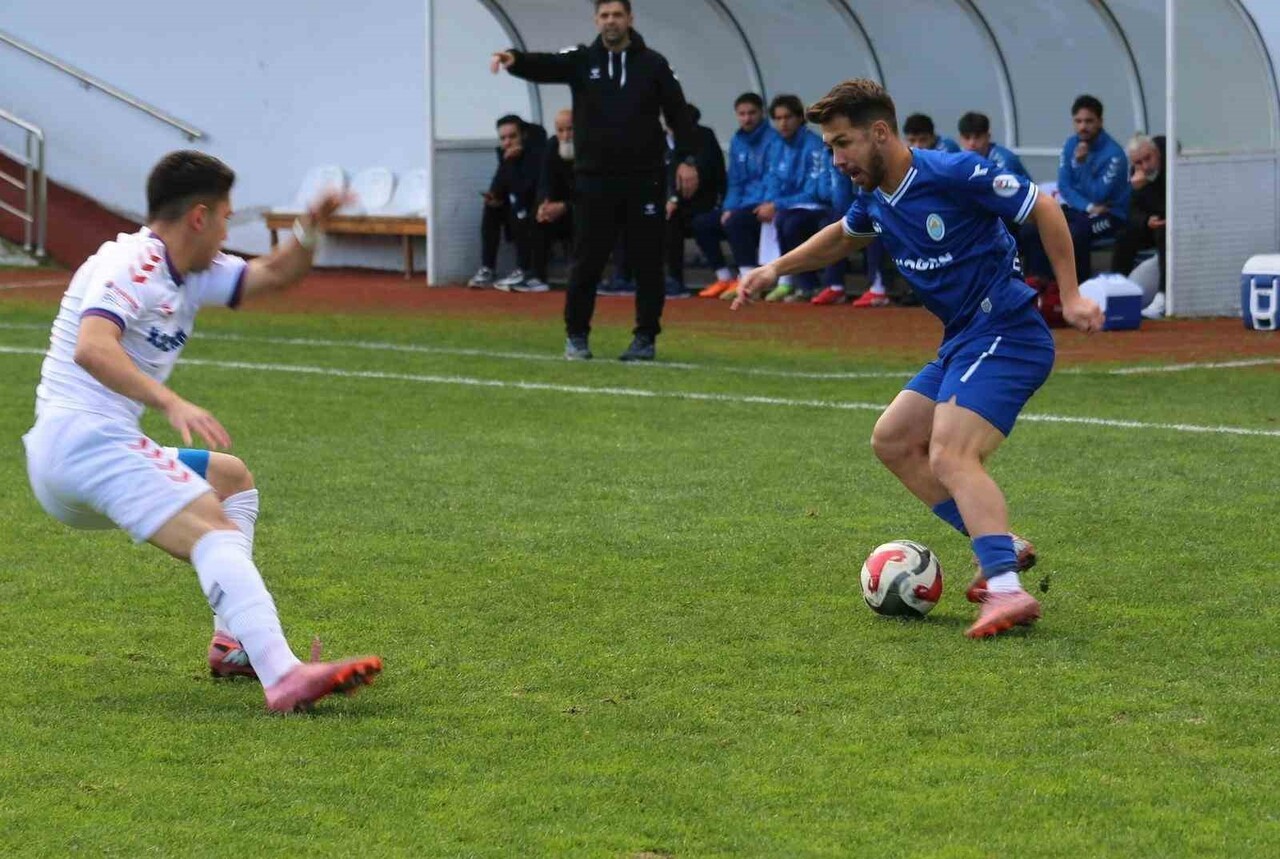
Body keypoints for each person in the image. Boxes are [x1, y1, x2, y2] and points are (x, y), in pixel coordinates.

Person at [733, 79, 1103, 639]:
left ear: (880, 132)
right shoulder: (877, 199)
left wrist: (1071, 294)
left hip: (1008, 330)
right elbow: (840, 237)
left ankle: (1005, 588)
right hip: (964, 339)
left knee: (951, 456)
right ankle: (1002, 545)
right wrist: (773, 269)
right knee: (892, 439)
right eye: (830, 147)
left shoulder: (952, 173)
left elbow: (1043, 207)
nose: (836, 159)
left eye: (843, 143)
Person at [21, 151, 383, 711]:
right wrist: (168, 400)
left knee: (230, 480)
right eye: (225, 217)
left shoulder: (190, 273)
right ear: (198, 216)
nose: (226, 230)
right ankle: (283, 674)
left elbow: (276, 273)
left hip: (82, 453)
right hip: (83, 441)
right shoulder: (133, 264)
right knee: (212, 527)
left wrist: (312, 227)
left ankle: (232, 642)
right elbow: (92, 348)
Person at [491, 0, 699, 362]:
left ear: (630, 19)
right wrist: (515, 59)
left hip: (644, 180)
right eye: (604, 15)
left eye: (617, 15)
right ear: (596, 20)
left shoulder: (653, 65)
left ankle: (645, 338)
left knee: (648, 262)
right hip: (593, 182)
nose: (611, 21)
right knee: (587, 261)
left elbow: (680, 117)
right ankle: (576, 335)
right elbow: (546, 65)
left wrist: (687, 160)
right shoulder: (582, 60)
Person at [1022, 95, 1129, 284]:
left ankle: (1078, 290)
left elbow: (1099, 195)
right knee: (1034, 228)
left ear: (1100, 122)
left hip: (1112, 215)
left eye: (1089, 121)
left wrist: (1082, 165)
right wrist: (1087, 206)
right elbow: (1064, 185)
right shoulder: (1071, 144)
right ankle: (1039, 286)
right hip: (1084, 210)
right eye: (1078, 121)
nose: (1083, 127)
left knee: (1075, 233)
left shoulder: (1115, 155)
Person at [692, 93, 778, 298]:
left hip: (764, 204)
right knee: (701, 223)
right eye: (742, 114)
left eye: (752, 113)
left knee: (736, 222)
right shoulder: (737, 140)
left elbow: (775, 177)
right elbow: (736, 180)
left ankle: (748, 282)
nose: (747, 118)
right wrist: (728, 207)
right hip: (742, 204)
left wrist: (768, 202)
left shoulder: (774, 140)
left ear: (762, 113)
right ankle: (723, 277)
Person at [468, 115, 545, 291]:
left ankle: (524, 270)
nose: (508, 142)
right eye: (503, 138)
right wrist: (493, 197)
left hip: (536, 209)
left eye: (512, 136)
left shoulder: (536, 154)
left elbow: (525, 190)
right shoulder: (506, 157)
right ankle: (487, 268)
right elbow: (499, 186)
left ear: (523, 136)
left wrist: (510, 163)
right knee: (491, 208)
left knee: (519, 208)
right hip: (517, 207)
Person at [664, 103, 725, 297]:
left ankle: (725, 276)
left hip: (704, 203)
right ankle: (673, 280)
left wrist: (690, 164)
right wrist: (671, 197)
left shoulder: (705, 137)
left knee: (695, 221)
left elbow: (712, 169)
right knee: (666, 219)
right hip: (674, 205)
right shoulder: (662, 140)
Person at [1111, 133, 1167, 318]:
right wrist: (1145, 221)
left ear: (1156, 152)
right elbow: (1133, 212)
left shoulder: (1172, 164)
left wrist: (1146, 189)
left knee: (1163, 233)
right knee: (1124, 236)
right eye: (1138, 162)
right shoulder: (1137, 174)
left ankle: (1163, 296)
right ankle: (1115, 290)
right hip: (1153, 224)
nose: (1145, 166)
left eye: (1148, 158)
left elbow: (1170, 202)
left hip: (1175, 222)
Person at [526, 108, 578, 294]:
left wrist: (565, 206)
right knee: (536, 215)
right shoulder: (551, 146)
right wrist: (544, 205)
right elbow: (544, 182)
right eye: (560, 130)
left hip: (584, 209)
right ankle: (537, 276)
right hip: (559, 210)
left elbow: (594, 193)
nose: (565, 136)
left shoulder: (593, 149)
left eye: (570, 129)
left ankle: (580, 273)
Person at [956, 111, 1029, 180]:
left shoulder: (1003, 160)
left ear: (988, 137)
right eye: (967, 138)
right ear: (960, 138)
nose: (972, 143)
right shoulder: (958, 159)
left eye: (977, 137)